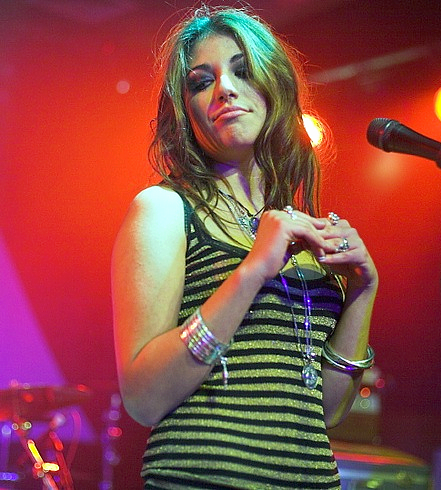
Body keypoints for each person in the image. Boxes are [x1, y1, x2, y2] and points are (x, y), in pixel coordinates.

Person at [112, 5, 378, 489]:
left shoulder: (302, 232)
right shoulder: (165, 209)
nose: (225, 89)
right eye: (201, 82)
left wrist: (363, 290)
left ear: (274, 84)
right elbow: (143, 398)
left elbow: (327, 411)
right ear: (186, 112)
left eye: (242, 70)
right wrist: (252, 271)